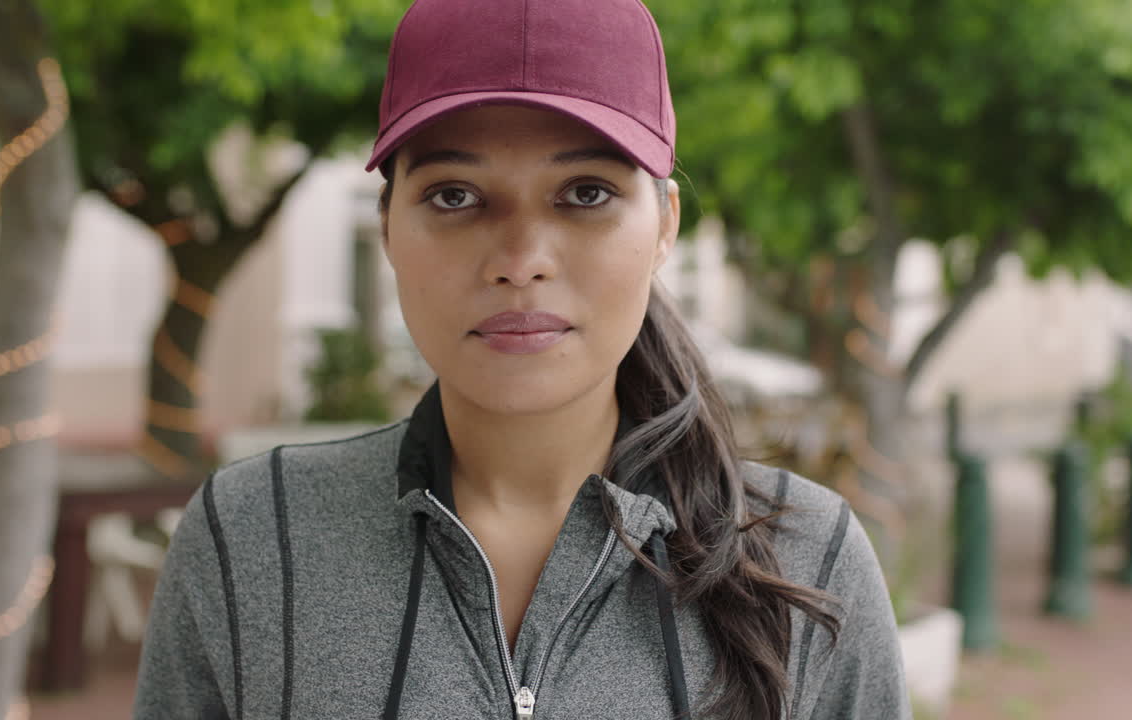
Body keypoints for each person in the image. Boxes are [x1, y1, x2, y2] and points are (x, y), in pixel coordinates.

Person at [133, 0, 911, 718]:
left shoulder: (806, 561)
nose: (520, 260)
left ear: (665, 225)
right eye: (454, 195)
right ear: (388, 225)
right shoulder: (253, 539)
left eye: (586, 193)